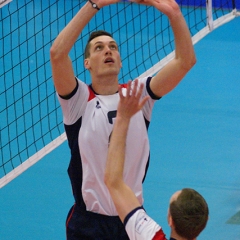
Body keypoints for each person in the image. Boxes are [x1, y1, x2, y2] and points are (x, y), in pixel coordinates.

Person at [50, 0, 196, 238]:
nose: (108, 50)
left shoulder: (138, 95)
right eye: (98, 48)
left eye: (113, 47)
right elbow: (57, 54)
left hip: (132, 222)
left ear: (119, 60)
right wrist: (95, 4)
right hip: (89, 226)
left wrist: (175, 14)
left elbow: (185, 62)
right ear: (86, 64)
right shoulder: (78, 101)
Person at [104, 79, 209, 240]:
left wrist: (123, 118)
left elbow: (114, 182)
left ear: (170, 220)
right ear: (205, 221)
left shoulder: (151, 235)